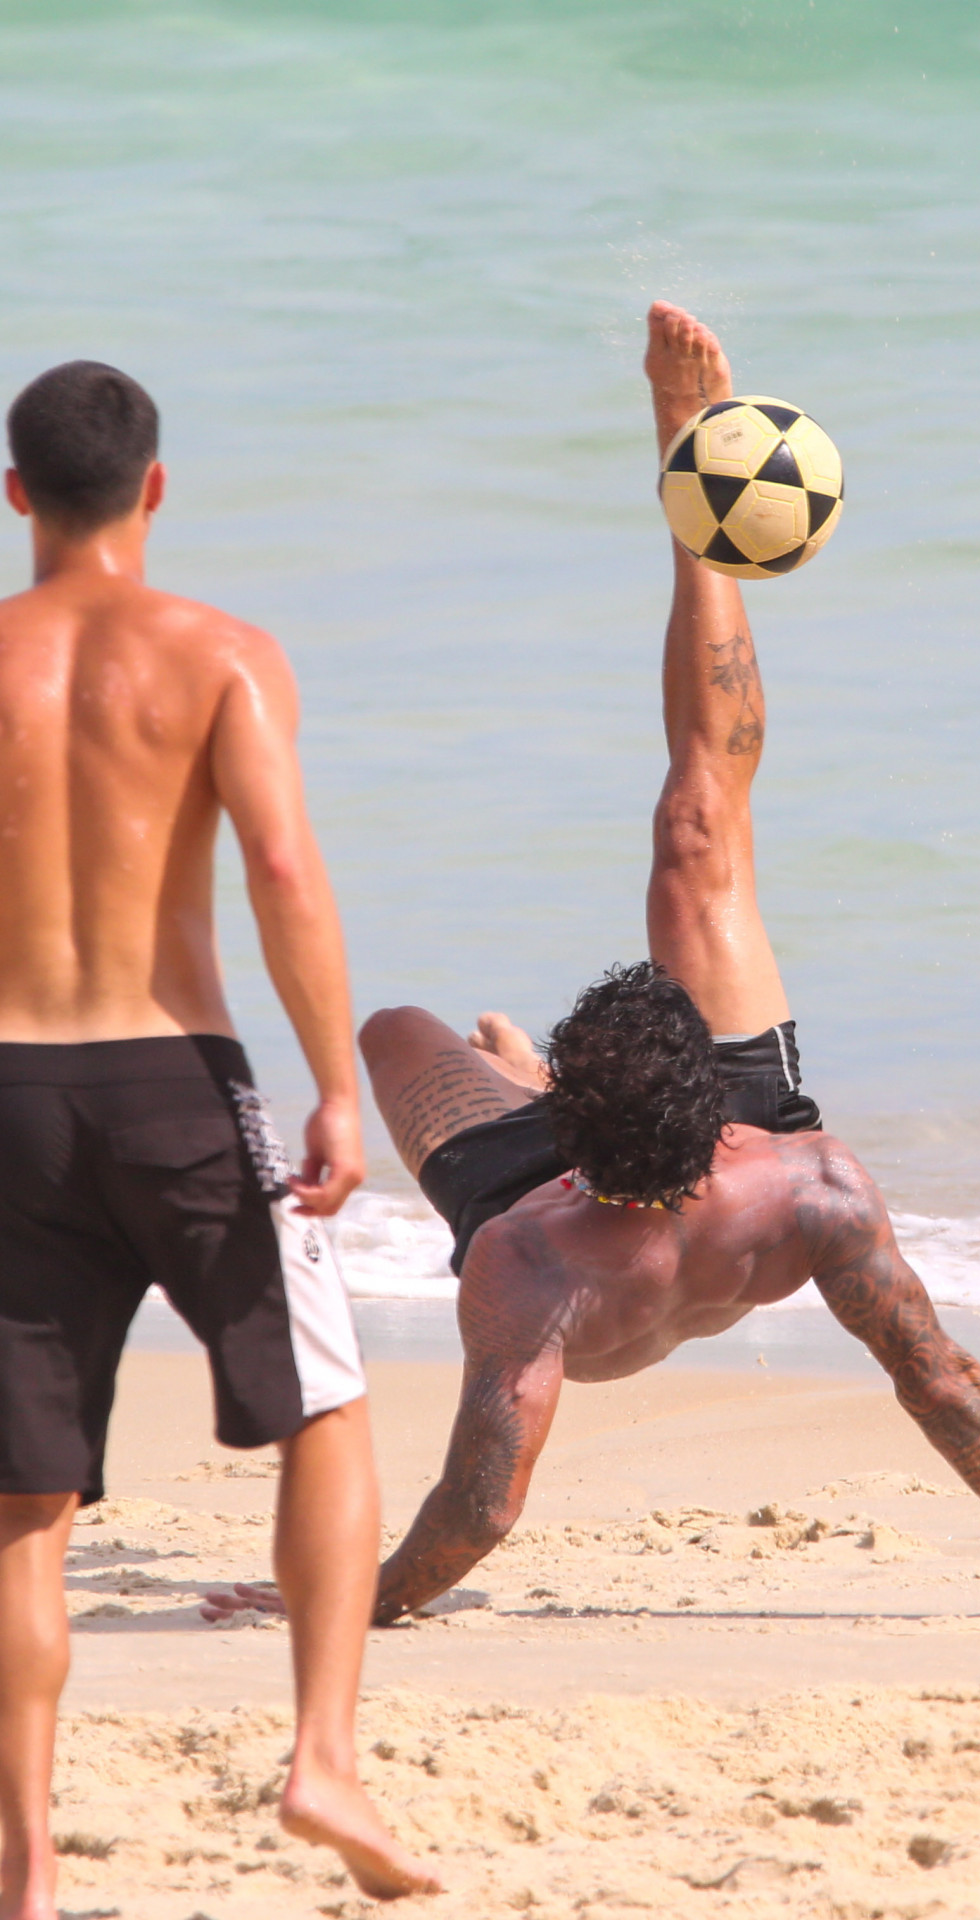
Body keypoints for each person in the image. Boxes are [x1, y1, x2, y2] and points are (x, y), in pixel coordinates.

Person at [208, 302, 980, 1643]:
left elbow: (936, 1373)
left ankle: (694, 478)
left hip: (604, 1145)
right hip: (573, 1164)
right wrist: (355, 1597)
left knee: (692, 829)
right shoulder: (528, 1265)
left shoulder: (817, 1191)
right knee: (391, 1028)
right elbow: (477, 1511)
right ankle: (517, 1069)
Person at [0, 360, 438, 1916]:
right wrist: (333, 1083)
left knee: (24, 1502)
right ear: (158, 489)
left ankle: (29, 1866)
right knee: (324, 1406)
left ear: (14, 495)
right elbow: (280, 869)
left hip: (9, 1097)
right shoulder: (225, 655)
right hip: (174, 1077)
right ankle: (322, 1759)